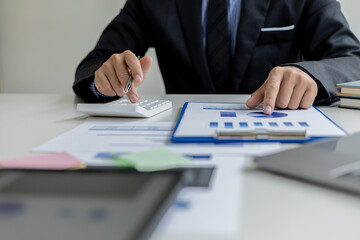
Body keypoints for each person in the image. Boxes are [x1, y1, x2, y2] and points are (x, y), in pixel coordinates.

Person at [73, 0, 360, 114]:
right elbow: (96, 61)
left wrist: (309, 76)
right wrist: (105, 76)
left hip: (276, 136)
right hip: (177, 144)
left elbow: (352, 59)